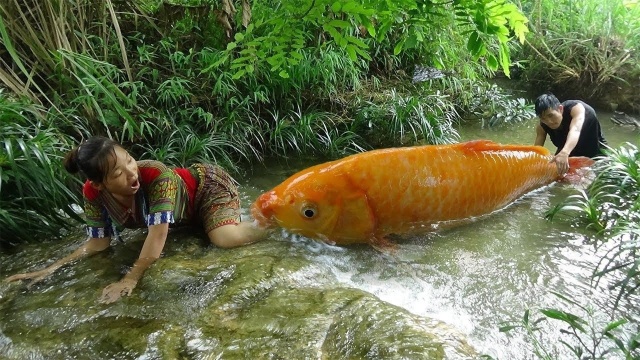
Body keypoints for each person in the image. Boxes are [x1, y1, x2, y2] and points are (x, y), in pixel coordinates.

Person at [5, 136, 267, 303]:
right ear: (98, 184)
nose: (131, 172)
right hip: (184, 217)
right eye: (118, 172)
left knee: (224, 239)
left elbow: (158, 235)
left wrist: (130, 278)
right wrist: (52, 268)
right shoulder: (92, 194)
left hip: (207, 190)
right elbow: (97, 244)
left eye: (130, 160)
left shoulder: (155, 174)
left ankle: (277, 218)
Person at [534, 93, 607, 175]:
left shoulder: (576, 109)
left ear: (560, 109)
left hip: (593, 146)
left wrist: (564, 153)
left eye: (551, 115)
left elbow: (575, 130)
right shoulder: (542, 126)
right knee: (556, 175)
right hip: (567, 147)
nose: (549, 121)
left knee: (599, 176)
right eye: (543, 118)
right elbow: (537, 151)